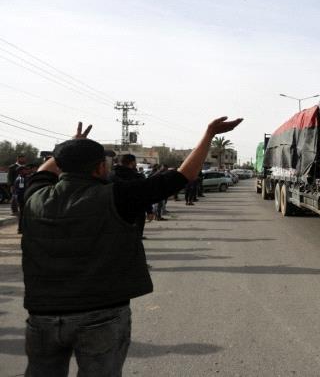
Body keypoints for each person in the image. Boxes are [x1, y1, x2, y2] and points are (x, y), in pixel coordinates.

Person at [20, 116, 242, 376]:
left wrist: (71, 145)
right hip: (101, 315)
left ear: (60, 166)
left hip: (42, 316)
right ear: (99, 168)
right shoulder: (119, 196)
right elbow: (184, 176)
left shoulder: (35, 196)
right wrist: (209, 134)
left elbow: (44, 173)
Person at [108, 154, 155, 238]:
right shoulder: (137, 177)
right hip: (136, 213)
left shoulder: (110, 176)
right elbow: (145, 195)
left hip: (114, 212)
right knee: (135, 239)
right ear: (133, 162)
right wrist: (149, 211)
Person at [13, 166, 31, 234]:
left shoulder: (24, 178)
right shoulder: (20, 179)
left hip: (24, 198)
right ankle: (20, 229)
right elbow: (20, 191)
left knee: (24, 214)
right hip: (22, 199)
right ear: (20, 171)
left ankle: (23, 228)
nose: (26, 171)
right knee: (22, 214)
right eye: (24, 170)